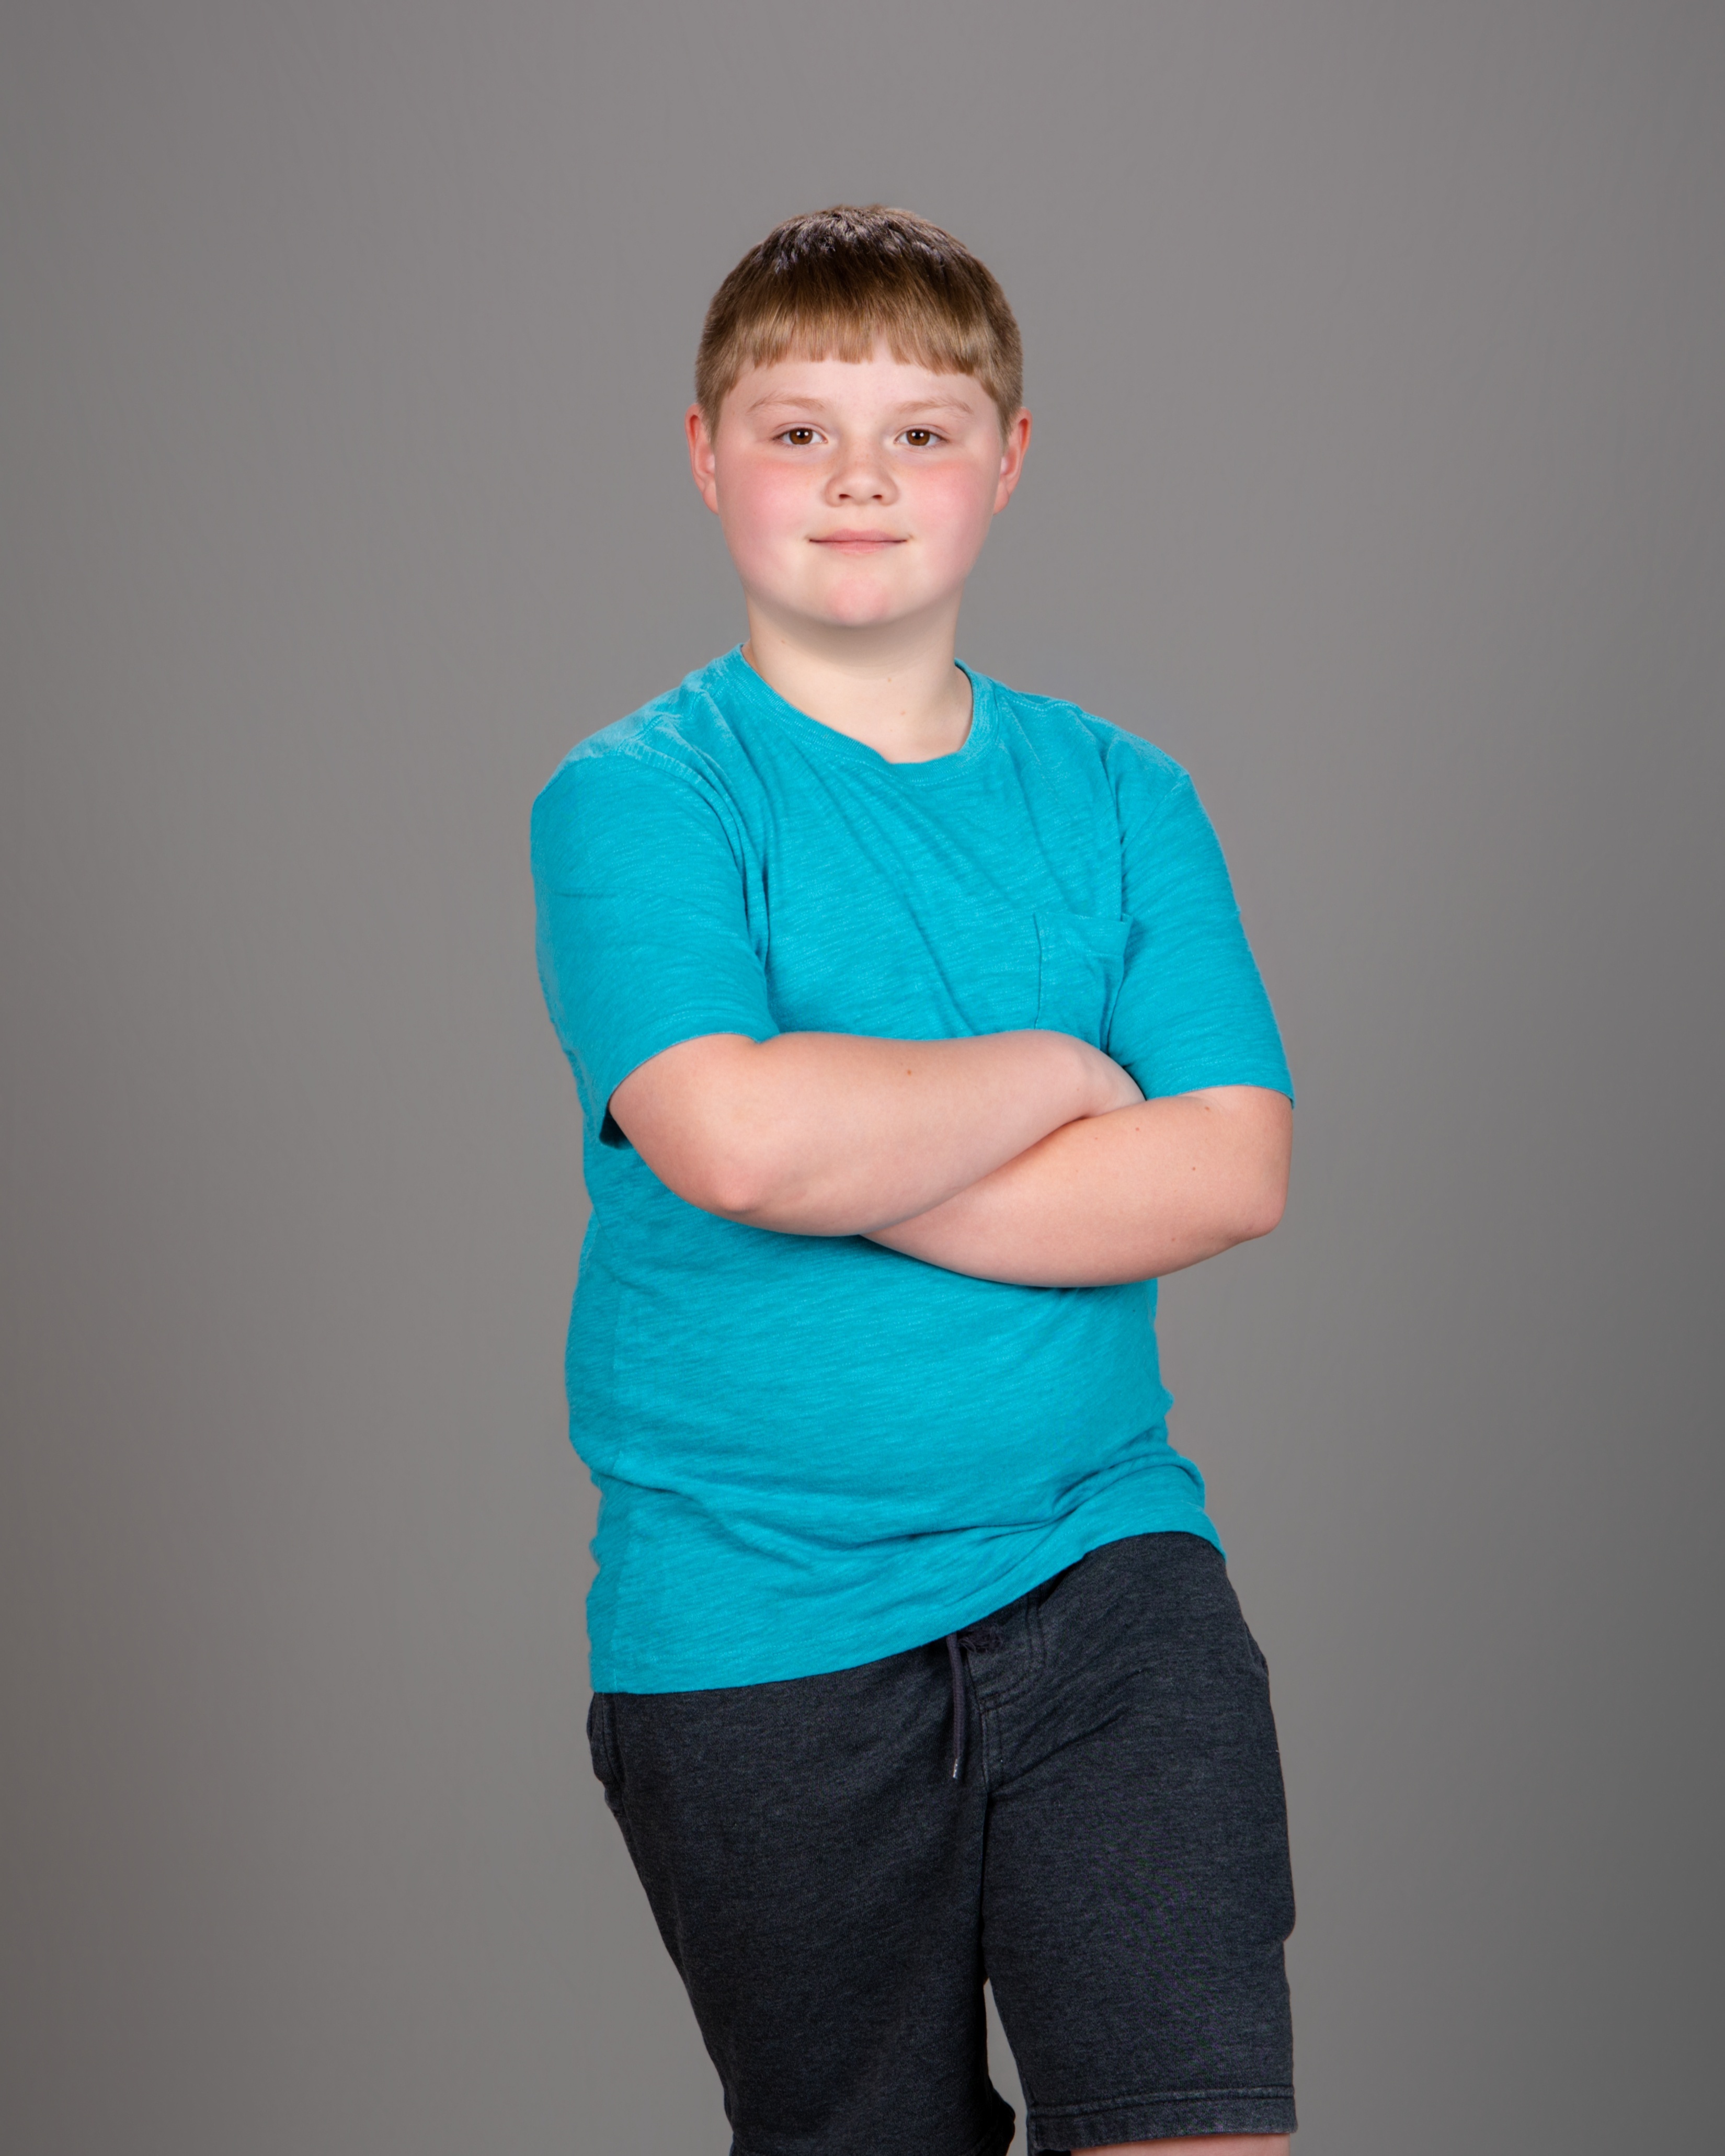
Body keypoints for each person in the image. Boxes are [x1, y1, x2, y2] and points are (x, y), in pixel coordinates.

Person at [531, 205, 1297, 2156]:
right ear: (704, 454)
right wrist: (1057, 1075)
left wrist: (827, 1143)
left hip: (1103, 1573)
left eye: (921, 431)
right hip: (757, 1621)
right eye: (797, 430)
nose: (858, 478)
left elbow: (1231, 1164)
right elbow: (731, 1138)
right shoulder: (638, 797)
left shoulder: (1124, 797)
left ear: (1007, 458)